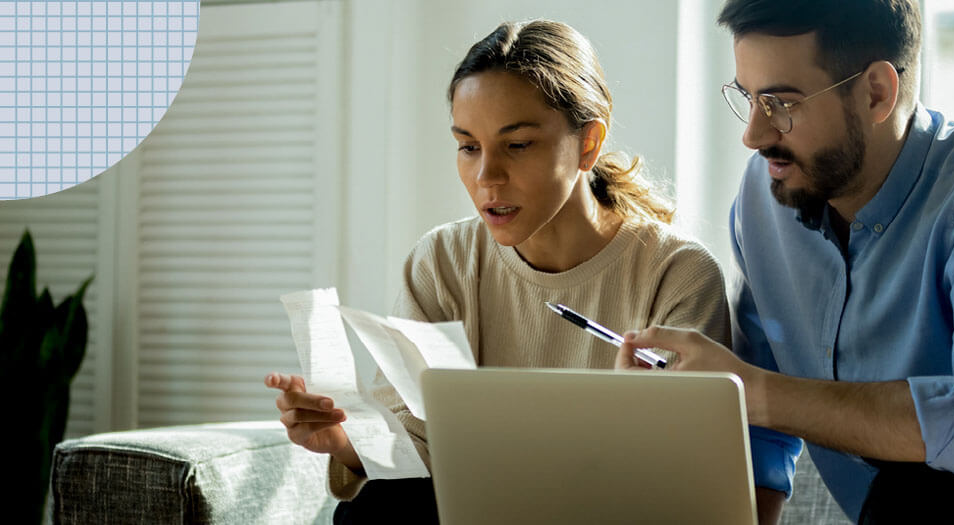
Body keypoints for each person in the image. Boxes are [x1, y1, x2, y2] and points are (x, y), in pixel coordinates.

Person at [615, 1, 954, 524]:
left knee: (922, 486)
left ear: (877, 92)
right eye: (749, 98)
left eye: (781, 104)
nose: (754, 135)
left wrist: (753, 391)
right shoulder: (768, 198)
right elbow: (761, 432)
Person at [265, 19, 731, 524]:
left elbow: (686, 483)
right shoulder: (442, 262)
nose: (487, 176)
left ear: (588, 143)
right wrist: (344, 442)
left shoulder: (677, 275)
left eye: (518, 144)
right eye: (468, 146)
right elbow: (418, 449)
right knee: (381, 508)